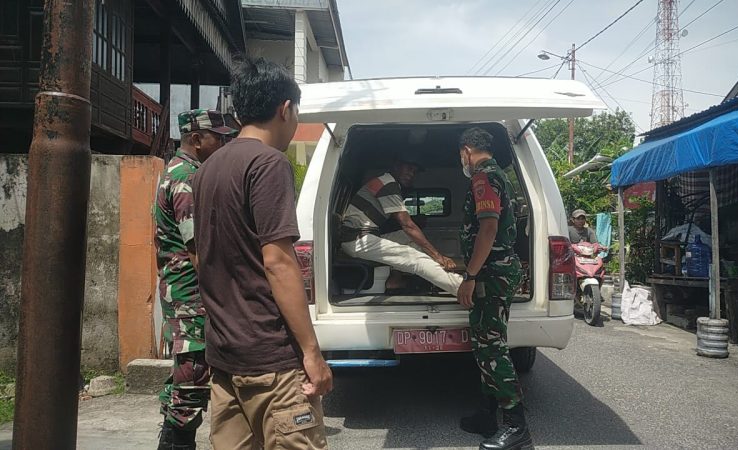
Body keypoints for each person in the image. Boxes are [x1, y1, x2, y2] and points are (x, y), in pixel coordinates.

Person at [192, 56, 332, 449]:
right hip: (272, 361)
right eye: (296, 112)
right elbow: (278, 262)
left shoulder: (207, 170)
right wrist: (312, 353)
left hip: (225, 357)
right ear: (285, 109)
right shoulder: (268, 163)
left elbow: (202, 257)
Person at [154, 109, 238, 450]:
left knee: (187, 375)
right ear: (196, 138)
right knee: (192, 377)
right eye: (219, 138)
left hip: (184, 291)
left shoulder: (180, 171)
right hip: (191, 294)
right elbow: (197, 249)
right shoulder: (186, 178)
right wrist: (224, 298)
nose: (224, 144)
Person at [456, 127, 531, 450]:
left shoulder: (483, 177)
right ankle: (488, 415)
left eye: (460, 155)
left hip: (492, 274)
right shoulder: (498, 174)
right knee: (484, 346)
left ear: (466, 151)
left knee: (493, 349)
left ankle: (516, 427)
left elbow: (488, 228)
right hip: (495, 271)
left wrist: (470, 275)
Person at [340, 157, 463, 295]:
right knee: (415, 259)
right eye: (409, 168)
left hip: (362, 236)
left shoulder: (388, 183)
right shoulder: (387, 185)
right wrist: (437, 256)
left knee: (407, 238)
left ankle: (396, 281)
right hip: (357, 240)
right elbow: (407, 225)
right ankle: (460, 288)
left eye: (415, 171)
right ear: (396, 165)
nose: (411, 174)